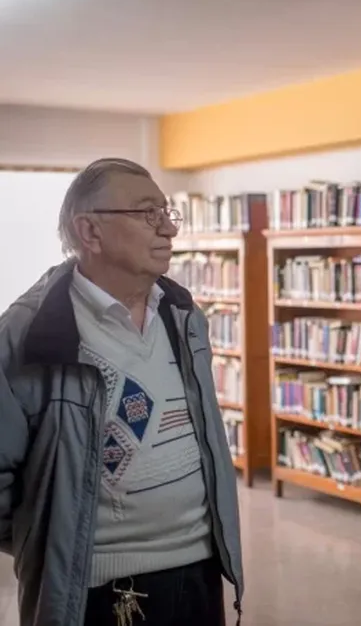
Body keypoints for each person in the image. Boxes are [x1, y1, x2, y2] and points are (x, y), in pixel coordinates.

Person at [0, 158, 244, 626]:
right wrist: (53, 537)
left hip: (200, 569)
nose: (168, 229)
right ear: (89, 232)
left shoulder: (183, 315)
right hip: (96, 586)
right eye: (147, 213)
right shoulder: (28, 334)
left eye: (168, 213)